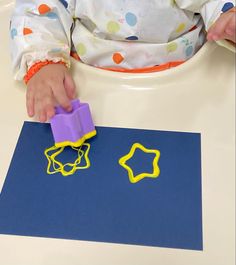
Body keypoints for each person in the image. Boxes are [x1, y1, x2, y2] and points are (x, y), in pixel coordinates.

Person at [10, 0, 236, 122]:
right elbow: (38, 8)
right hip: (88, 82)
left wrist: (228, 16)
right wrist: (44, 60)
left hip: (185, 81)